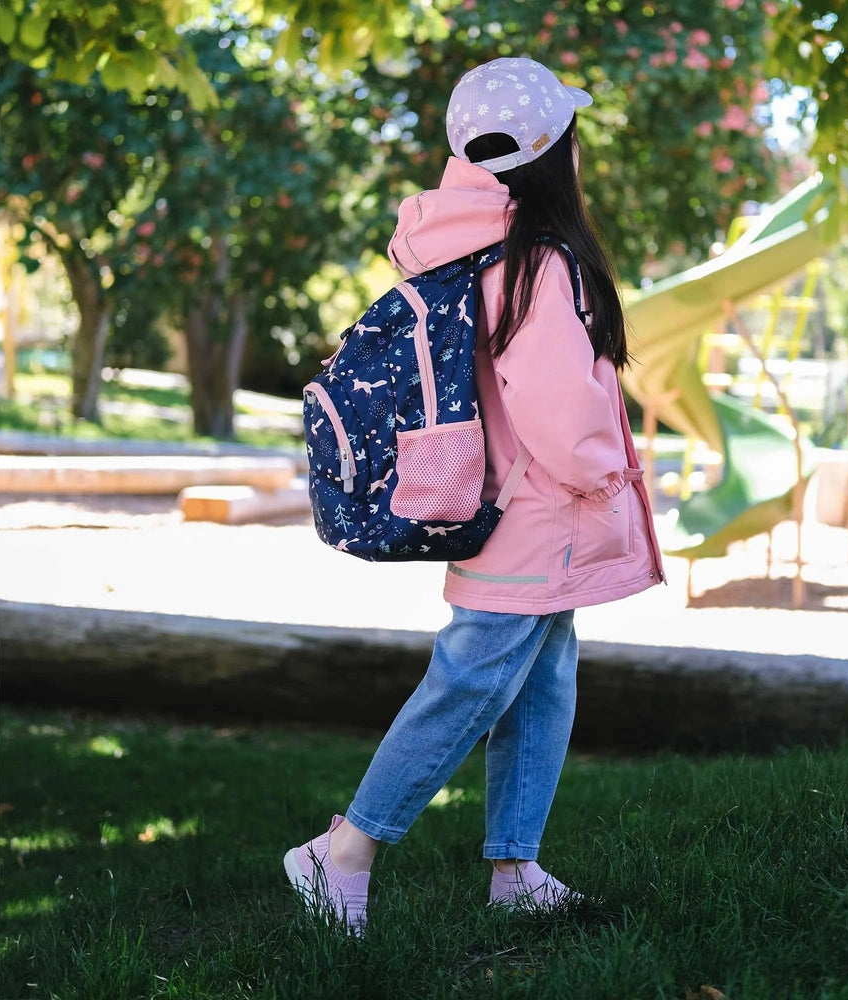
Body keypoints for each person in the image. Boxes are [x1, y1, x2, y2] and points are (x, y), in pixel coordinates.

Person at [283, 56, 664, 934]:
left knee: (537, 685)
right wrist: (607, 475)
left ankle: (515, 869)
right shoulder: (539, 264)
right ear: (552, 153)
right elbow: (562, 411)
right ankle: (341, 852)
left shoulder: (463, 248)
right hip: (545, 517)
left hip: (501, 509)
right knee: (468, 686)